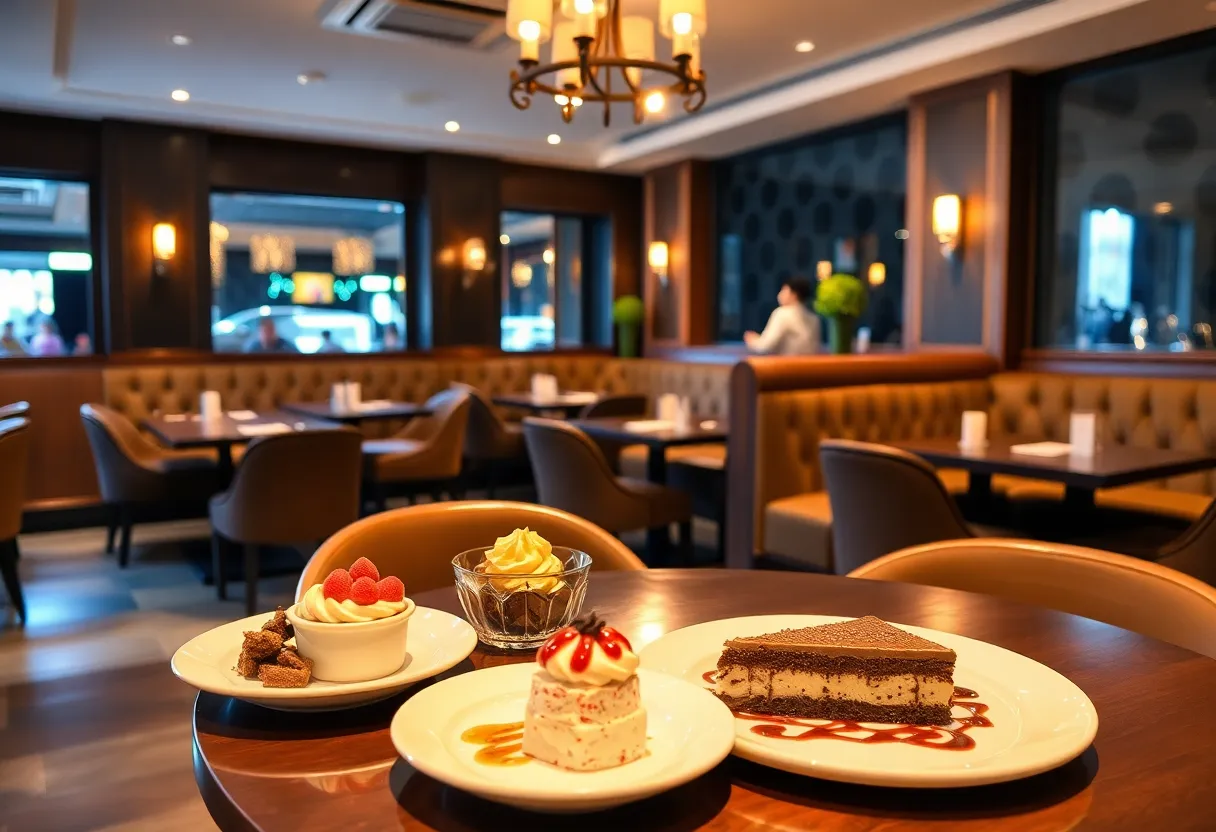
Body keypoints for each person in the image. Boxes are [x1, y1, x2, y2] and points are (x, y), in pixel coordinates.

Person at [743, 277, 821, 355]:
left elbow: (766, 346)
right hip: (809, 366)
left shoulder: (782, 313)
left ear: (794, 295)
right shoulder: (814, 318)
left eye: (784, 290)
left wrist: (753, 341)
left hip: (787, 366)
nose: (780, 294)